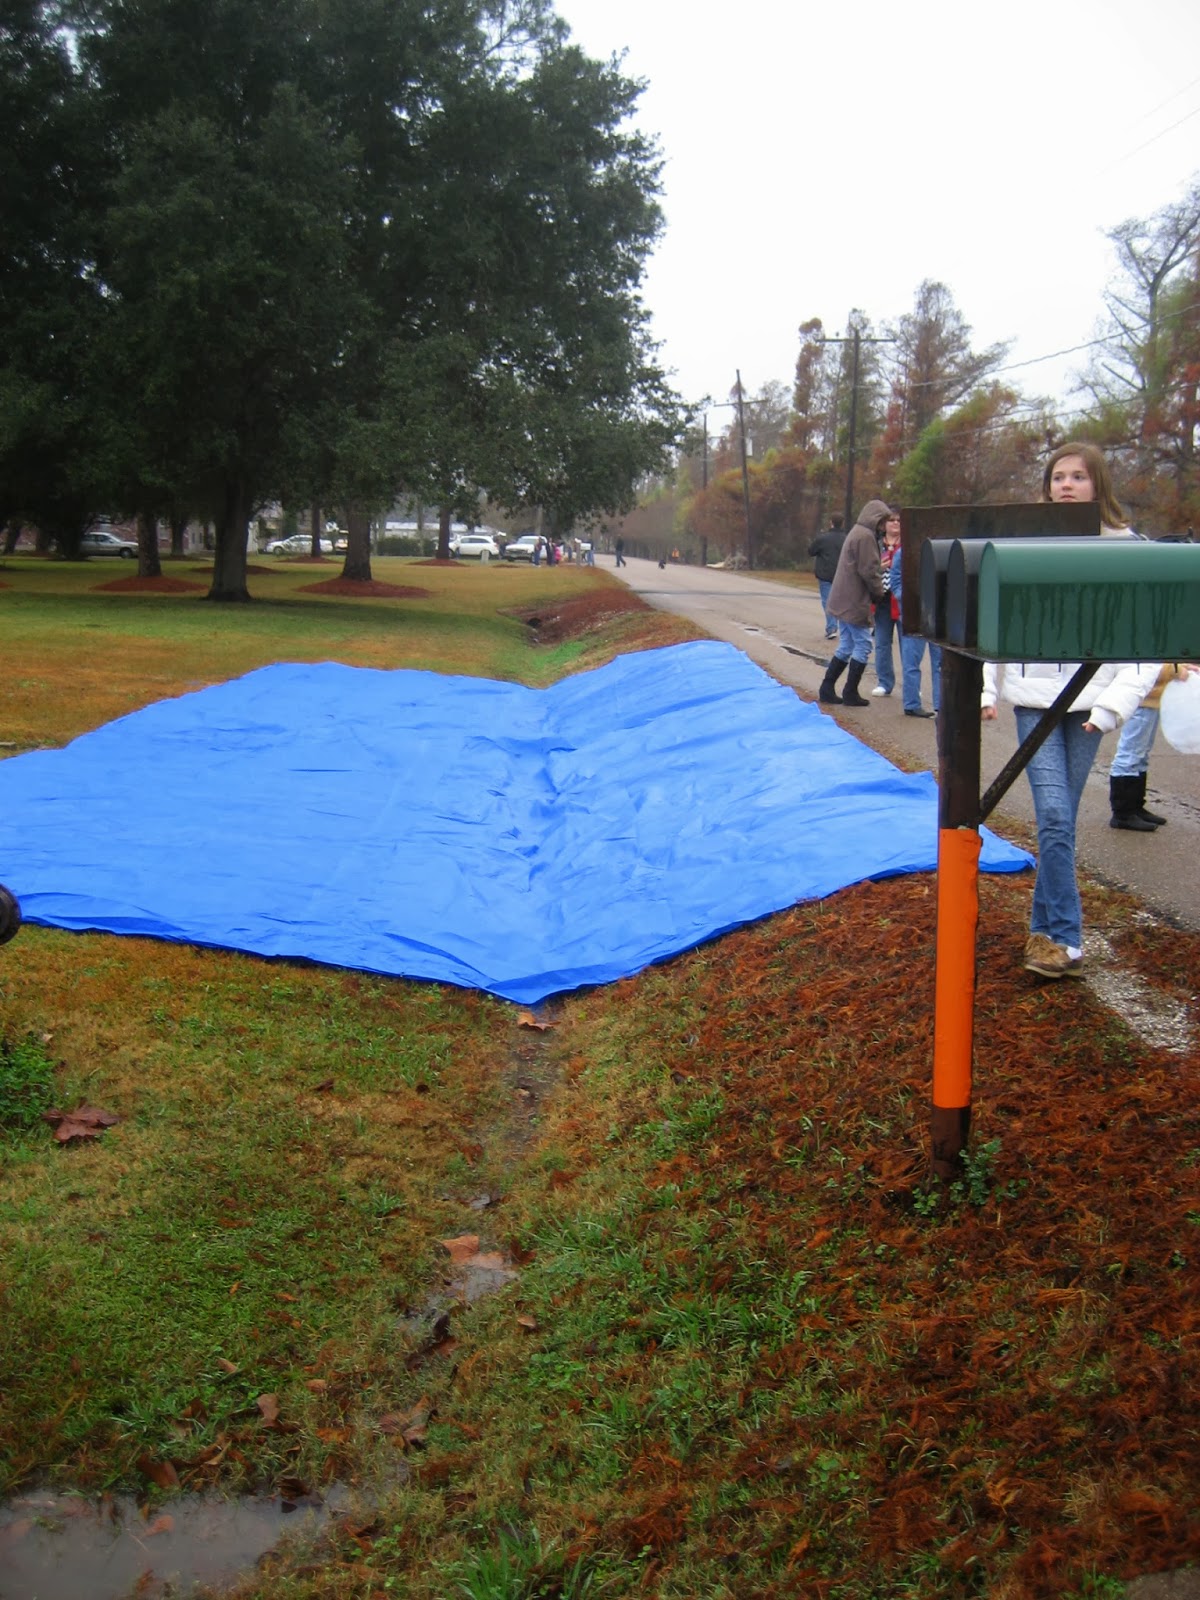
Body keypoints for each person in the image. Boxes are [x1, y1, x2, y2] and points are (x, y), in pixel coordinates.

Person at [982, 442, 1160, 979]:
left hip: (1089, 706)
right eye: (1058, 476)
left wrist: (1110, 708)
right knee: (1056, 816)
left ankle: (1043, 932)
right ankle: (1065, 937)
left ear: (1097, 485)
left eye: (1078, 476)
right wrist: (987, 692)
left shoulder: (1132, 552)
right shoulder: (1025, 546)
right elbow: (996, 624)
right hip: (1036, 703)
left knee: (1059, 824)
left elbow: (1145, 643)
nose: (1066, 485)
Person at [818, 500, 890, 708]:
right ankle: (850, 691)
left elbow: (865, 565)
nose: (885, 526)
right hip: (853, 600)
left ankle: (827, 687)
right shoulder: (866, 537)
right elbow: (868, 571)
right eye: (885, 521)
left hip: (843, 598)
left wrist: (878, 568)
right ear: (878, 519)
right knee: (863, 644)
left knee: (847, 644)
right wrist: (879, 593)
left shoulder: (857, 532)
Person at [1108, 663, 1198, 830]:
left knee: (1141, 755)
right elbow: (1148, 667)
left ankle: (1135, 807)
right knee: (1130, 754)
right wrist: (1175, 670)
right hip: (1141, 699)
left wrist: (1180, 666)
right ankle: (1123, 813)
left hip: (1151, 698)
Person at [888, 540, 939, 718]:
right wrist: (909, 599)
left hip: (937, 614)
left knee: (940, 662)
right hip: (913, 613)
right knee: (911, 660)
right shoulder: (904, 552)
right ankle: (911, 703)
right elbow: (895, 581)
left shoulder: (940, 550)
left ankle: (941, 705)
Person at [870, 510, 902, 696]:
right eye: (891, 520)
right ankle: (884, 681)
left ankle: (912, 687)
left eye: (899, 520)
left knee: (908, 646)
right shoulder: (876, 545)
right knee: (882, 643)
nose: (895, 523)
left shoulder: (907, 546)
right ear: (884, 524)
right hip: (882, 601)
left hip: (901, 601)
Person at [809, 513, 847, 639]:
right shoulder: (847, 539)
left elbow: (811, 551)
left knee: (828, 601)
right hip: (842, 575)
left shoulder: (823, 539)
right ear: (842, 523)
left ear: (831, 522)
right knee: (842, 602)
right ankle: (845, 629)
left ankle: (831, 627)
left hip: (825, 574)